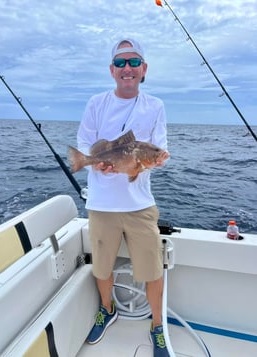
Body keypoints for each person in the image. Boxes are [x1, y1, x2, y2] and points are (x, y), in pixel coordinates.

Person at [77, 38, 170, 357]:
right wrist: (96, 162)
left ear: (144, 69)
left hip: (140, 206)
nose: (127, 68)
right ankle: (108, 309)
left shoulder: (155, 106)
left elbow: (158, 148)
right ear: (111, 70)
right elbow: (86, 142)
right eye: (120, 63)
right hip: (101, 205)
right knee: (101, 267)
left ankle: (157, 327)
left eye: (133, 62)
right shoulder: (96, 103)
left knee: (152, 270)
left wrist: (149, 161)